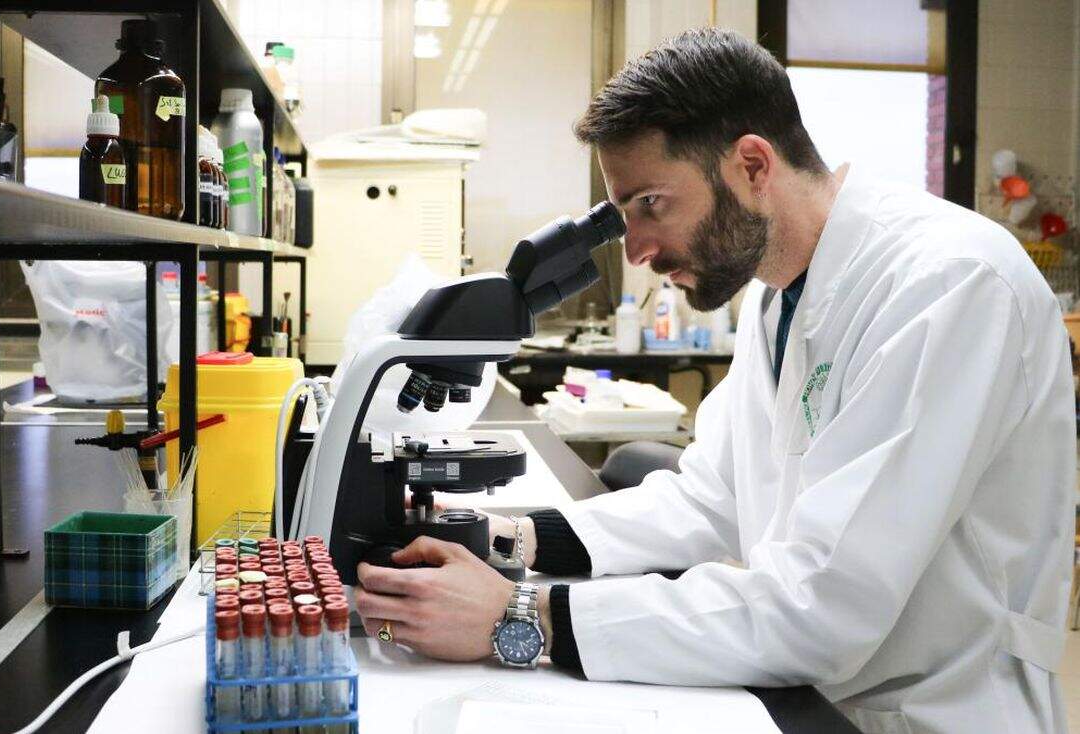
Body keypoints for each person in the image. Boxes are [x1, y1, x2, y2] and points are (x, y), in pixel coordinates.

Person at [353, 27, 1075, 734]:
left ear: (753, 165)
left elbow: (822, 606)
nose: (635, 250)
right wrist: (508, 537)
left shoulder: (948, 284)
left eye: (650, 204)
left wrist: (520, 617)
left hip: (931, 712)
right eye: (624, 214)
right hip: (806, 693)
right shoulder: (778, 295)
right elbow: (710, 497)